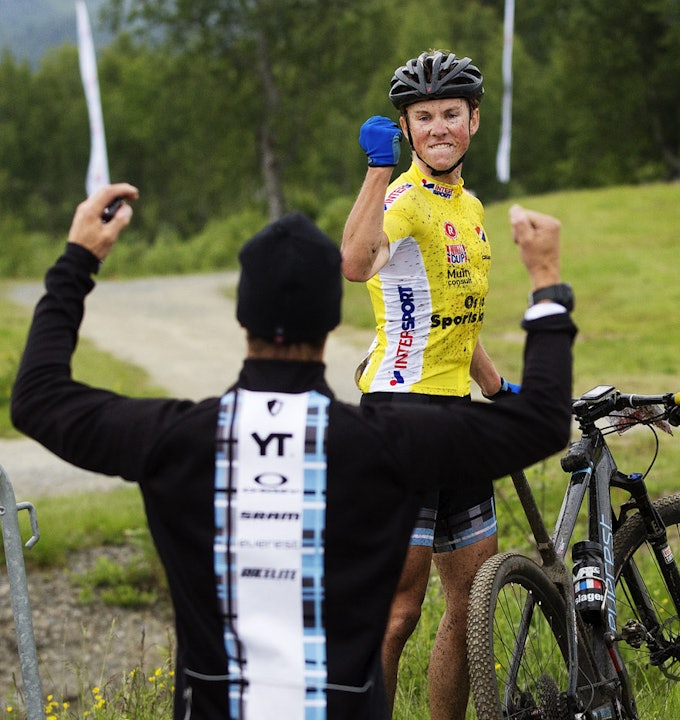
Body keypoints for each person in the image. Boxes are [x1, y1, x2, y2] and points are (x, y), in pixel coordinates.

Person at [10, 183, 576, 720]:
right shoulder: (389, 445)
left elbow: (37, 399)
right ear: (333, 321)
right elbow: (542, 422)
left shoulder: (175, 440)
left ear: (241, 317)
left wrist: (77, 262)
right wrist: (546, 284)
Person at [340, 50, 524, 719]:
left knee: (471, 603)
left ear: (473, 120)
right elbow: (355, 264)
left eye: (451, 113)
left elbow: (458, 318)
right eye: (424, 117)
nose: (439, 127)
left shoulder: (469, 206)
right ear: (407, 127)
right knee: (397, 611)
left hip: (458, 419)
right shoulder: (403, 201)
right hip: (397, 416)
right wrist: (377, 169)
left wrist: (500, 389)